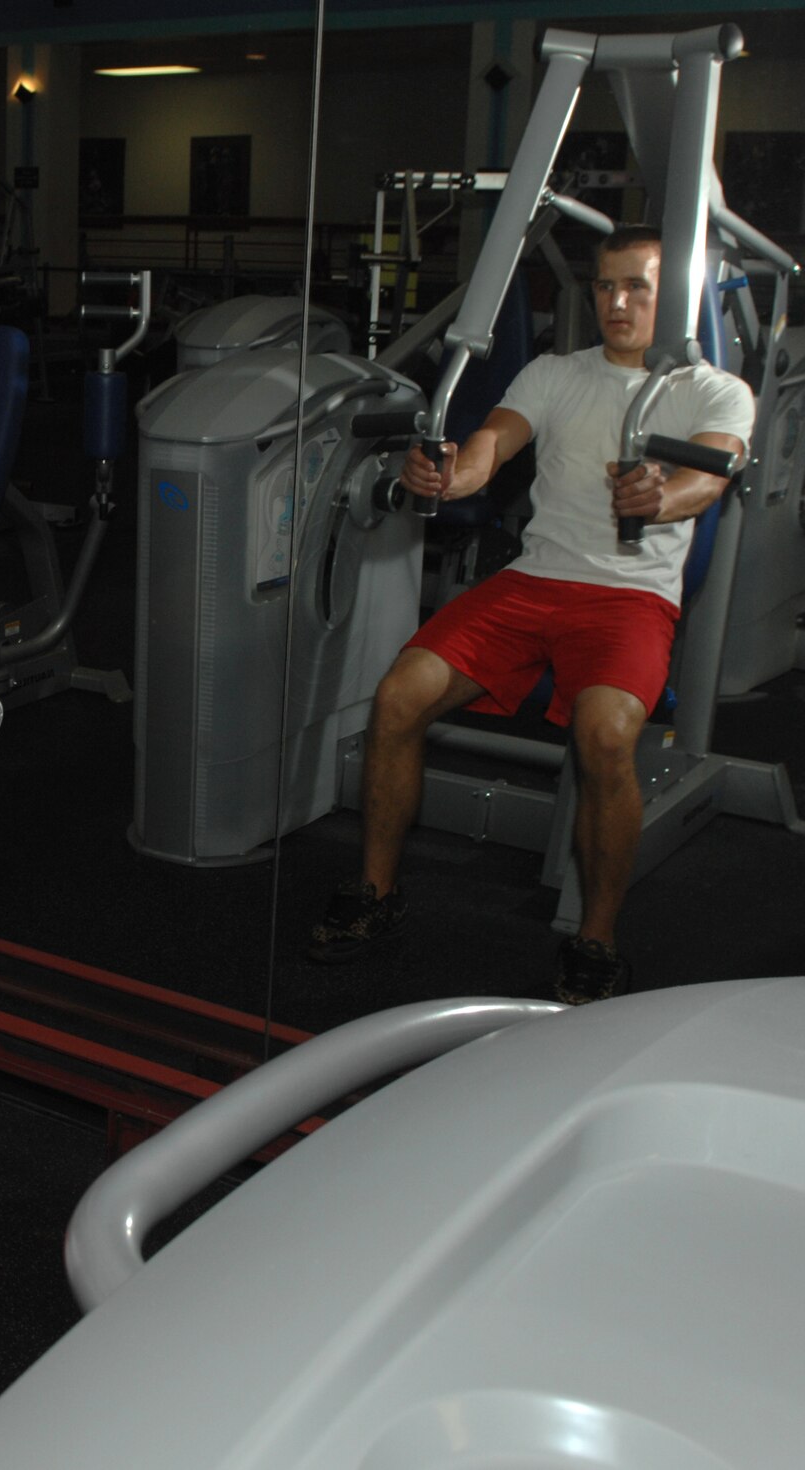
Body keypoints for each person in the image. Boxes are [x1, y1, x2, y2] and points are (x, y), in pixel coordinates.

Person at [303, 224, 754, 1004]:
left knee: (606, 735)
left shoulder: (713, 388)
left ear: (672, 295)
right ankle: (376, 893)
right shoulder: (555, 373)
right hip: (534, 581)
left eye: (637, 287)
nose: (617, 302)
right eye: (606, 286)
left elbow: (709, 477)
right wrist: (448, 476)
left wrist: (662, 497)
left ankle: (596, 939)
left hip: (630, 596)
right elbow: (491, 446)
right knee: (398, 696)